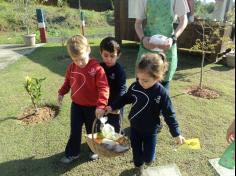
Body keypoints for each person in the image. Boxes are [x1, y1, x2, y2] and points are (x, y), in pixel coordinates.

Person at [106, 53, 185, 176]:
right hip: (135, 128)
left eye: (145, 80)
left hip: (150, 131)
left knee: (148, 158)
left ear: (157, 77)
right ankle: (138, 166)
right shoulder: (135, 86)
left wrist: (176, 133)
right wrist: (112, 106)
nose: (141, 82)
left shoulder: (161, 93)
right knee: (137, 157)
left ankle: (147, 160)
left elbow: (169, 114)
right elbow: (125, 98)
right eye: (139, 78)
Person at [58, 34, 109, 163]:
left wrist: (101, 105)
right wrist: (61, 92)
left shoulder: (97, 69)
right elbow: (67, 82)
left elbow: (104, 88)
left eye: (81, 58)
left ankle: (95, 150)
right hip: (76, 105)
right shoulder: (71, 68)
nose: (79, 63)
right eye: (75, 59)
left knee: (94, 130)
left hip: (93, 107)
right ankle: (73, 153)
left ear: (88, 50)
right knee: (74, 130)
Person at [134, 0, 189, 94]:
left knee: (162, 89)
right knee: (142, 85)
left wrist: (173, 39)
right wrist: (143, 39)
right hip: (147, 46)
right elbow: (138, 24)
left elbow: (183, 20)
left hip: (167, 46)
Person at [100, 37, 127, 133]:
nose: (108, 59)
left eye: (112, 56)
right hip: (103, 104)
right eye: (106, 55)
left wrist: (114, 106)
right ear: (101, 53)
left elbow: (122, 91)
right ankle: (103, 146)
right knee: (103, 125)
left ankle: (117, 143)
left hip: (116, 104)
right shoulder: (99, 68)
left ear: (118, 55)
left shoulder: (120, 71)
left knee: (115, 127)